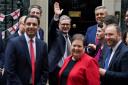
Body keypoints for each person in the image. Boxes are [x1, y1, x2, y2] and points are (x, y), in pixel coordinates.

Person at [4, 15, 48, 85]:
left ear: (38, 27)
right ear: (24, 25)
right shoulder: (13, 43)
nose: (31, 26)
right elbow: (9, 70)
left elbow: (45, 70)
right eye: (28, 24)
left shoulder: (43, 45)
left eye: (34, 24)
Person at [48, 2, 71, 85]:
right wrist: (56, 16)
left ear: (70, 26)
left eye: (67, 24)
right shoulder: (55, 35)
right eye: (63, 24)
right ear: (59, 25)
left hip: (67, 70)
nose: (65, 26)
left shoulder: (70, 38)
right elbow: (52, 28)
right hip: (55, 70)